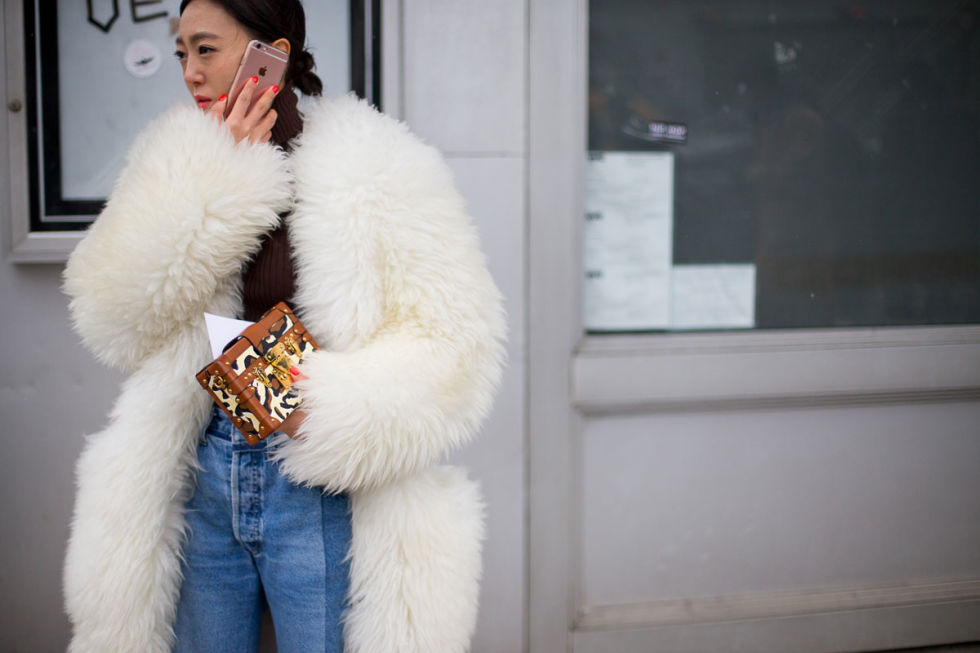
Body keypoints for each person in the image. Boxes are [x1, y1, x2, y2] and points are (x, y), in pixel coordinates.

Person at [61, 0, 506, 651]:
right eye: (181, 53)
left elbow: (456, 341)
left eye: (206, 49)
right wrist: (221, 181)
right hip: (198, 470)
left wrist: (323, 410)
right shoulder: (174, 157)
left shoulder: (375, 163)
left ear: (272, 52)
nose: (189, 71)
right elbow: (110, 317)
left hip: (318, 483)